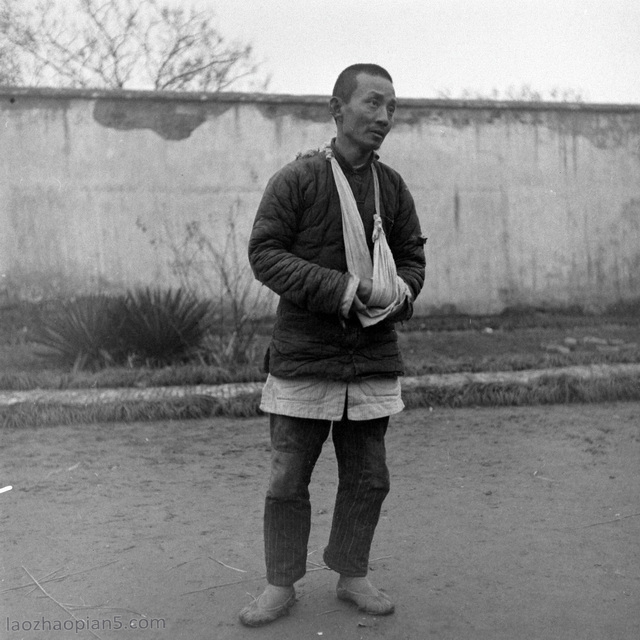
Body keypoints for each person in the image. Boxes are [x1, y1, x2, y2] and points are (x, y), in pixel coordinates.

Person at [240, 63, 426, 626]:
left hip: (370, 358)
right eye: (373, 103)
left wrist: (399, 292)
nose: (384, 116)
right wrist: (346, 289)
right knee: (288, 479)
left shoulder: (392, 188)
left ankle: (352, 573)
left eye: (392, 107)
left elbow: (412, 260)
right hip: (305, 355)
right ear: (337, 109)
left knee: (370, 478)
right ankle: (280, 584)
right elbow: (265, 254)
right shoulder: (297, 180)